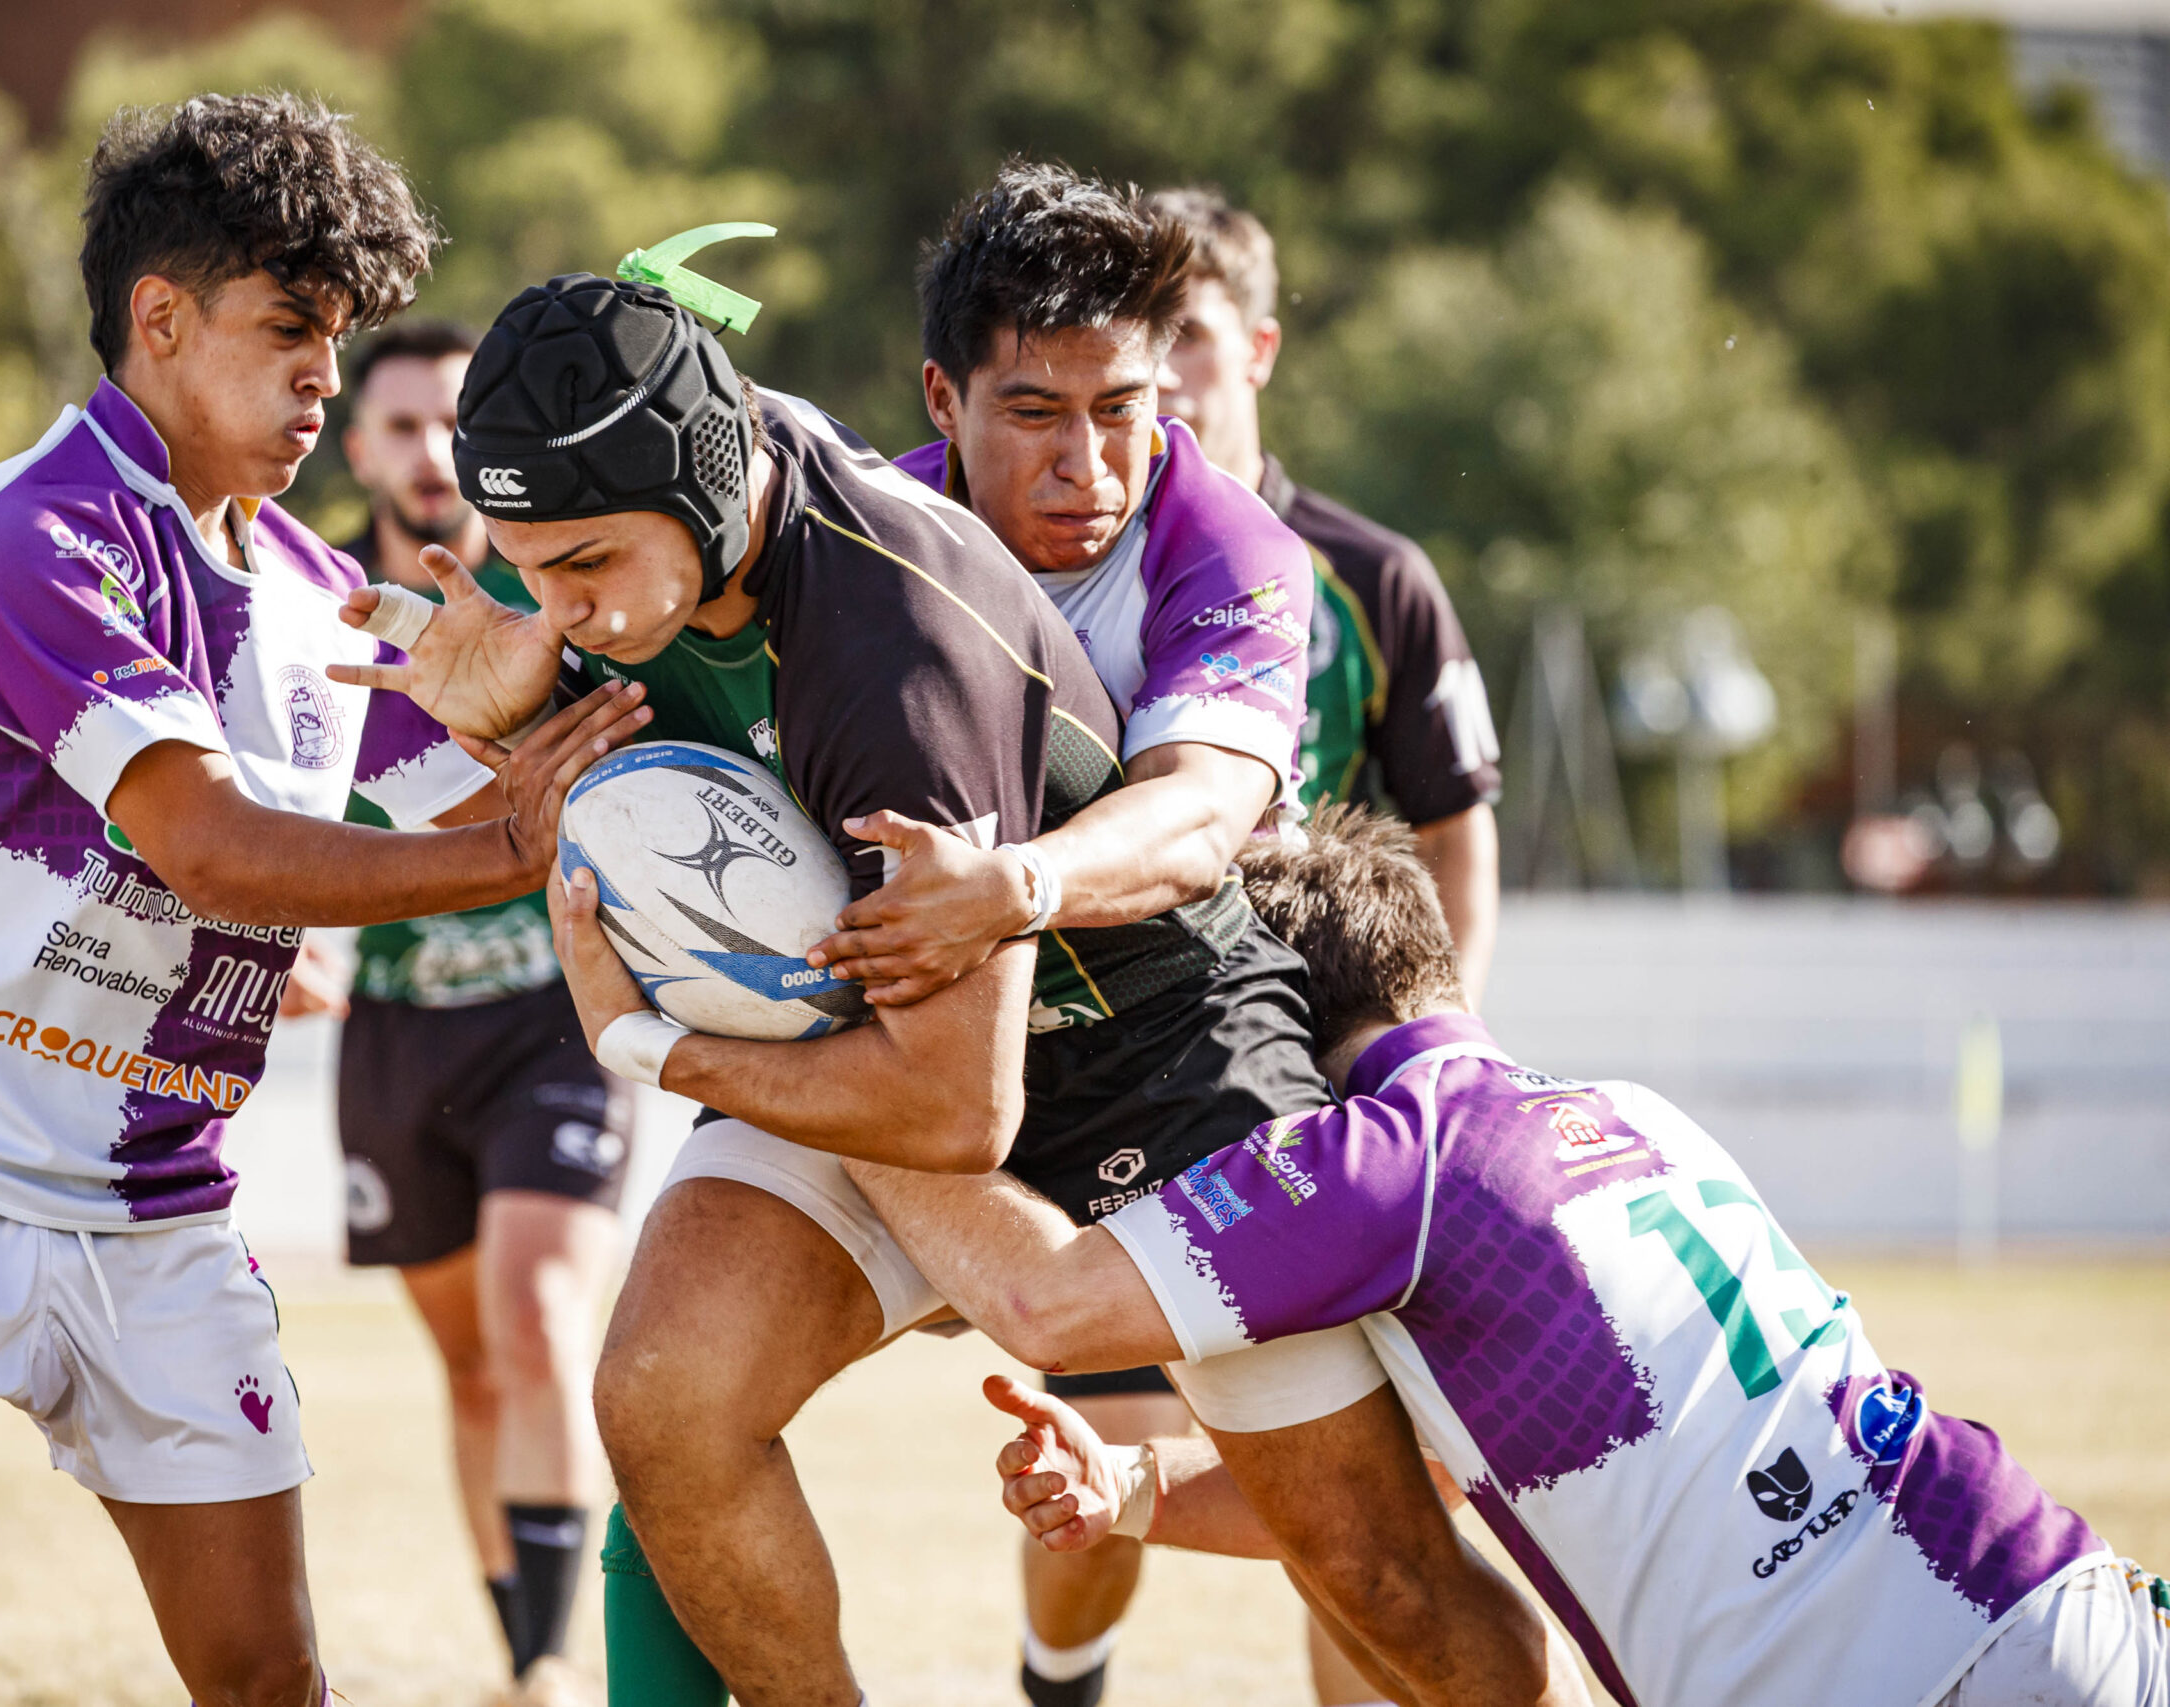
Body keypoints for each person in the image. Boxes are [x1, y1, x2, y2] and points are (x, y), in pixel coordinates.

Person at [342, 259, 1567, 1706]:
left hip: (1144, 1056)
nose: (554, 607)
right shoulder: (666, 501)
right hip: (880, 1021)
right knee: (668, 1399)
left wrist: (650, 1047)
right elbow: (654, 794)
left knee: (1380, 1573)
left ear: (700, 481)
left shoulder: (897, 650)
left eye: (585, 566)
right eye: (530, 564)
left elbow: (951, 1115)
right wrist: (520, 728)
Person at [0, 96, 648, 1707]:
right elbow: (215, 845)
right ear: (158, 321)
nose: (325, 374)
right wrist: (526, 833)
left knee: (264, 1669)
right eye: (290, 329)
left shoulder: (324, 599)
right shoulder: (36, 537)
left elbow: (527, 816)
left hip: (160, 1201)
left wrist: (546, 723)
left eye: (339, 335)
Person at [846, 806, 2161, 1707]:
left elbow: (1044, 1298)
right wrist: (1137, 1483)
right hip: (2061, 1596)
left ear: (1276, 1024)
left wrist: (827, 1086)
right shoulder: (1639, 1111)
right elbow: (1448, 1462)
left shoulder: (1382, 1160)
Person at [823, 161, 1322, 1707]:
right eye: (1035, 410)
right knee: (665, 1387)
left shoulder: (1236, 545)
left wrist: (1014, 884)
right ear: (941, 395)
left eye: (1122, 407)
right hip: (909, 1073)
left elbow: (1197, 811)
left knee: (1368, 1519)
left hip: (1177, 1060)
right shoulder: (853, 537)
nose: (1090, 457)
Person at [327, 320, 629, 1705]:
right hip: (392, 1031)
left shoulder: (558, 590)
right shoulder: (298, 613)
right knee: (467, 1363)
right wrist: (278, 939)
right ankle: (519, 1644)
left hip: (553, 1007)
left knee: (539, 1310)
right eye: (400, 426)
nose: (431, 453)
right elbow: (237, 816)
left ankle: (550, 1663)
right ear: (357, 447)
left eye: (454, 423)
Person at [1149, 187, 1504, 1006]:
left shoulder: (1377, 575)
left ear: (1260, 349)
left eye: (1192, 334)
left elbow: (1454, 826)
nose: (1162, 371)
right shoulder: (1073, 552)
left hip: (1320, 1014)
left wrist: (1442, 1036)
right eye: (1147, 336)